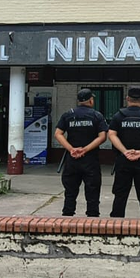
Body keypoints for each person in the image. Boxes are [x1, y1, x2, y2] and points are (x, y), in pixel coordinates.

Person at [53, 88, 108, 217]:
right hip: (90, 158)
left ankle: (67, 215)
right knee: (92, 190)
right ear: (91, 100)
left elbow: (58, 134)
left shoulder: (68, 114)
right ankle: (92, 216)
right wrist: (85, 149)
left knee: (70, 191)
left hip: (72, 159)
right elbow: (102, 136)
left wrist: (71, 149)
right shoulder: (96, 115)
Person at [108, 86, 140, 218]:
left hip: (123, 160)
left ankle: (116, 225)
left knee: (120, 194)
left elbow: (112, 135)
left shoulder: (118, 116)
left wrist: (125, 151)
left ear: (127, 99)